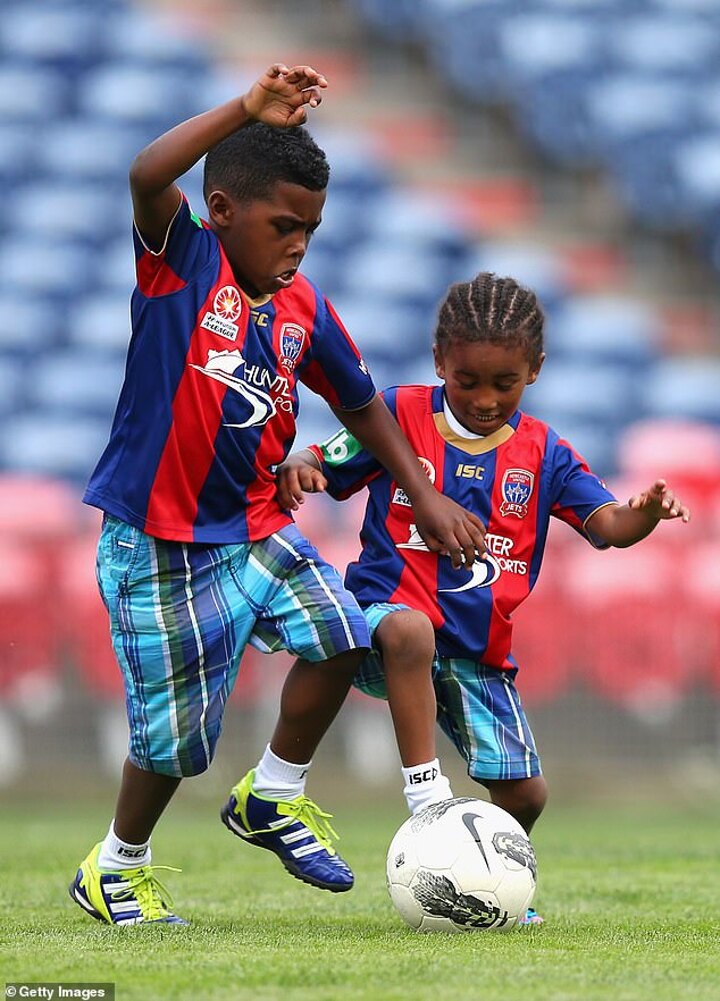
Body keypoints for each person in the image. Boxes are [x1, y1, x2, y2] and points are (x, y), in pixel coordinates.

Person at [68, 63, 487, 926]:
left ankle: (272, 792)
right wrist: (243, 110)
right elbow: (146, 173)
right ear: (223, 211)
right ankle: (116, 865)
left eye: (312, 229)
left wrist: (424, 494)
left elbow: (363, 406)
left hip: (255, 527)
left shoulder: (304, 306)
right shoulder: (183, 260)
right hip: (158, 542)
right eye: (284, 225)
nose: (299, 244)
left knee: (342, 633)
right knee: (175, 747)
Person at [277, 271, 691, 925]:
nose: (485, 399)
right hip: (385, 618)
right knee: (411, 631)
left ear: (535, 370)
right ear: (440, 360)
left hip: (476, 651)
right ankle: (427, 801)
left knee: (526, 794)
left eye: (505, 383)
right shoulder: (399, 414)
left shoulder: (544, 453)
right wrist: (305, 463)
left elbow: (607, 526)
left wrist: (643, 513)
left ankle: (483, 883)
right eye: (467, 380)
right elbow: (327, 458)